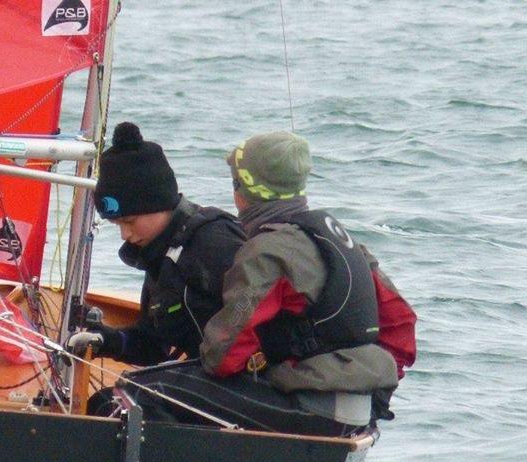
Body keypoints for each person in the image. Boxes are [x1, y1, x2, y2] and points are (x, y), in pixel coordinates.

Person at [198, 131, 417, 433]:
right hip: (362, 409)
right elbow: (400, 321)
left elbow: (224, 356)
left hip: (311, 405)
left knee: (149, 391)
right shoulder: (341, 239)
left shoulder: (266, 251)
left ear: (241, 191)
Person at [65, 122, 246, 414]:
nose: (124, 234)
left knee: (119, 409)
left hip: (242, 382)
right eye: (117, 225)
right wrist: (105, 339)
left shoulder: (214, 244)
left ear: (159, 204)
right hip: (203, 376)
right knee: (103, 403)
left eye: (129, 221)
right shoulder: (159, 256)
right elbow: (154, 345)